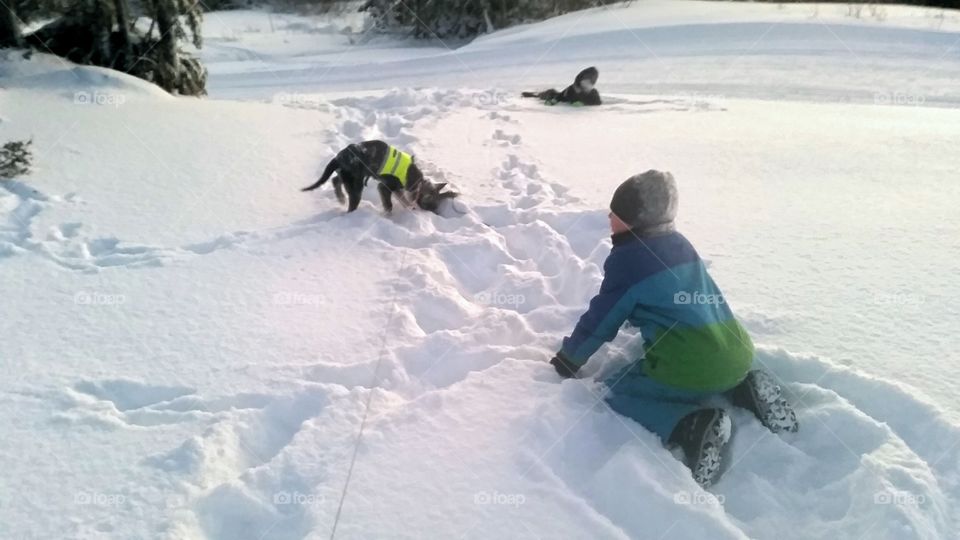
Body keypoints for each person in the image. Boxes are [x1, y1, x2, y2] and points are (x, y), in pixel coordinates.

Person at [550, 170, 798, 487]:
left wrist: (570, 358)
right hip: (737, 351)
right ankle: (743, 389)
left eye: (617, 212)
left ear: (633, 222)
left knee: (615, 391)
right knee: (708, 369)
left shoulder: (629, 261)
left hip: (690, 366)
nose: (610, 216)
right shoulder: (680, 245)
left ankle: (690, 424)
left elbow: (603, 318)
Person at [522, 66, 602, 106]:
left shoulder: (593, 93)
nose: (586, 85)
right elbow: (559, 97)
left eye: (589, 83)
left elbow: (597, 103)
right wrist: (552, 102)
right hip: (553, 95)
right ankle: (533, 95)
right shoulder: (572, 89)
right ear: (580, 81)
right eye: (584, 82)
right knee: (546, 94)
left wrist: (583, 103)